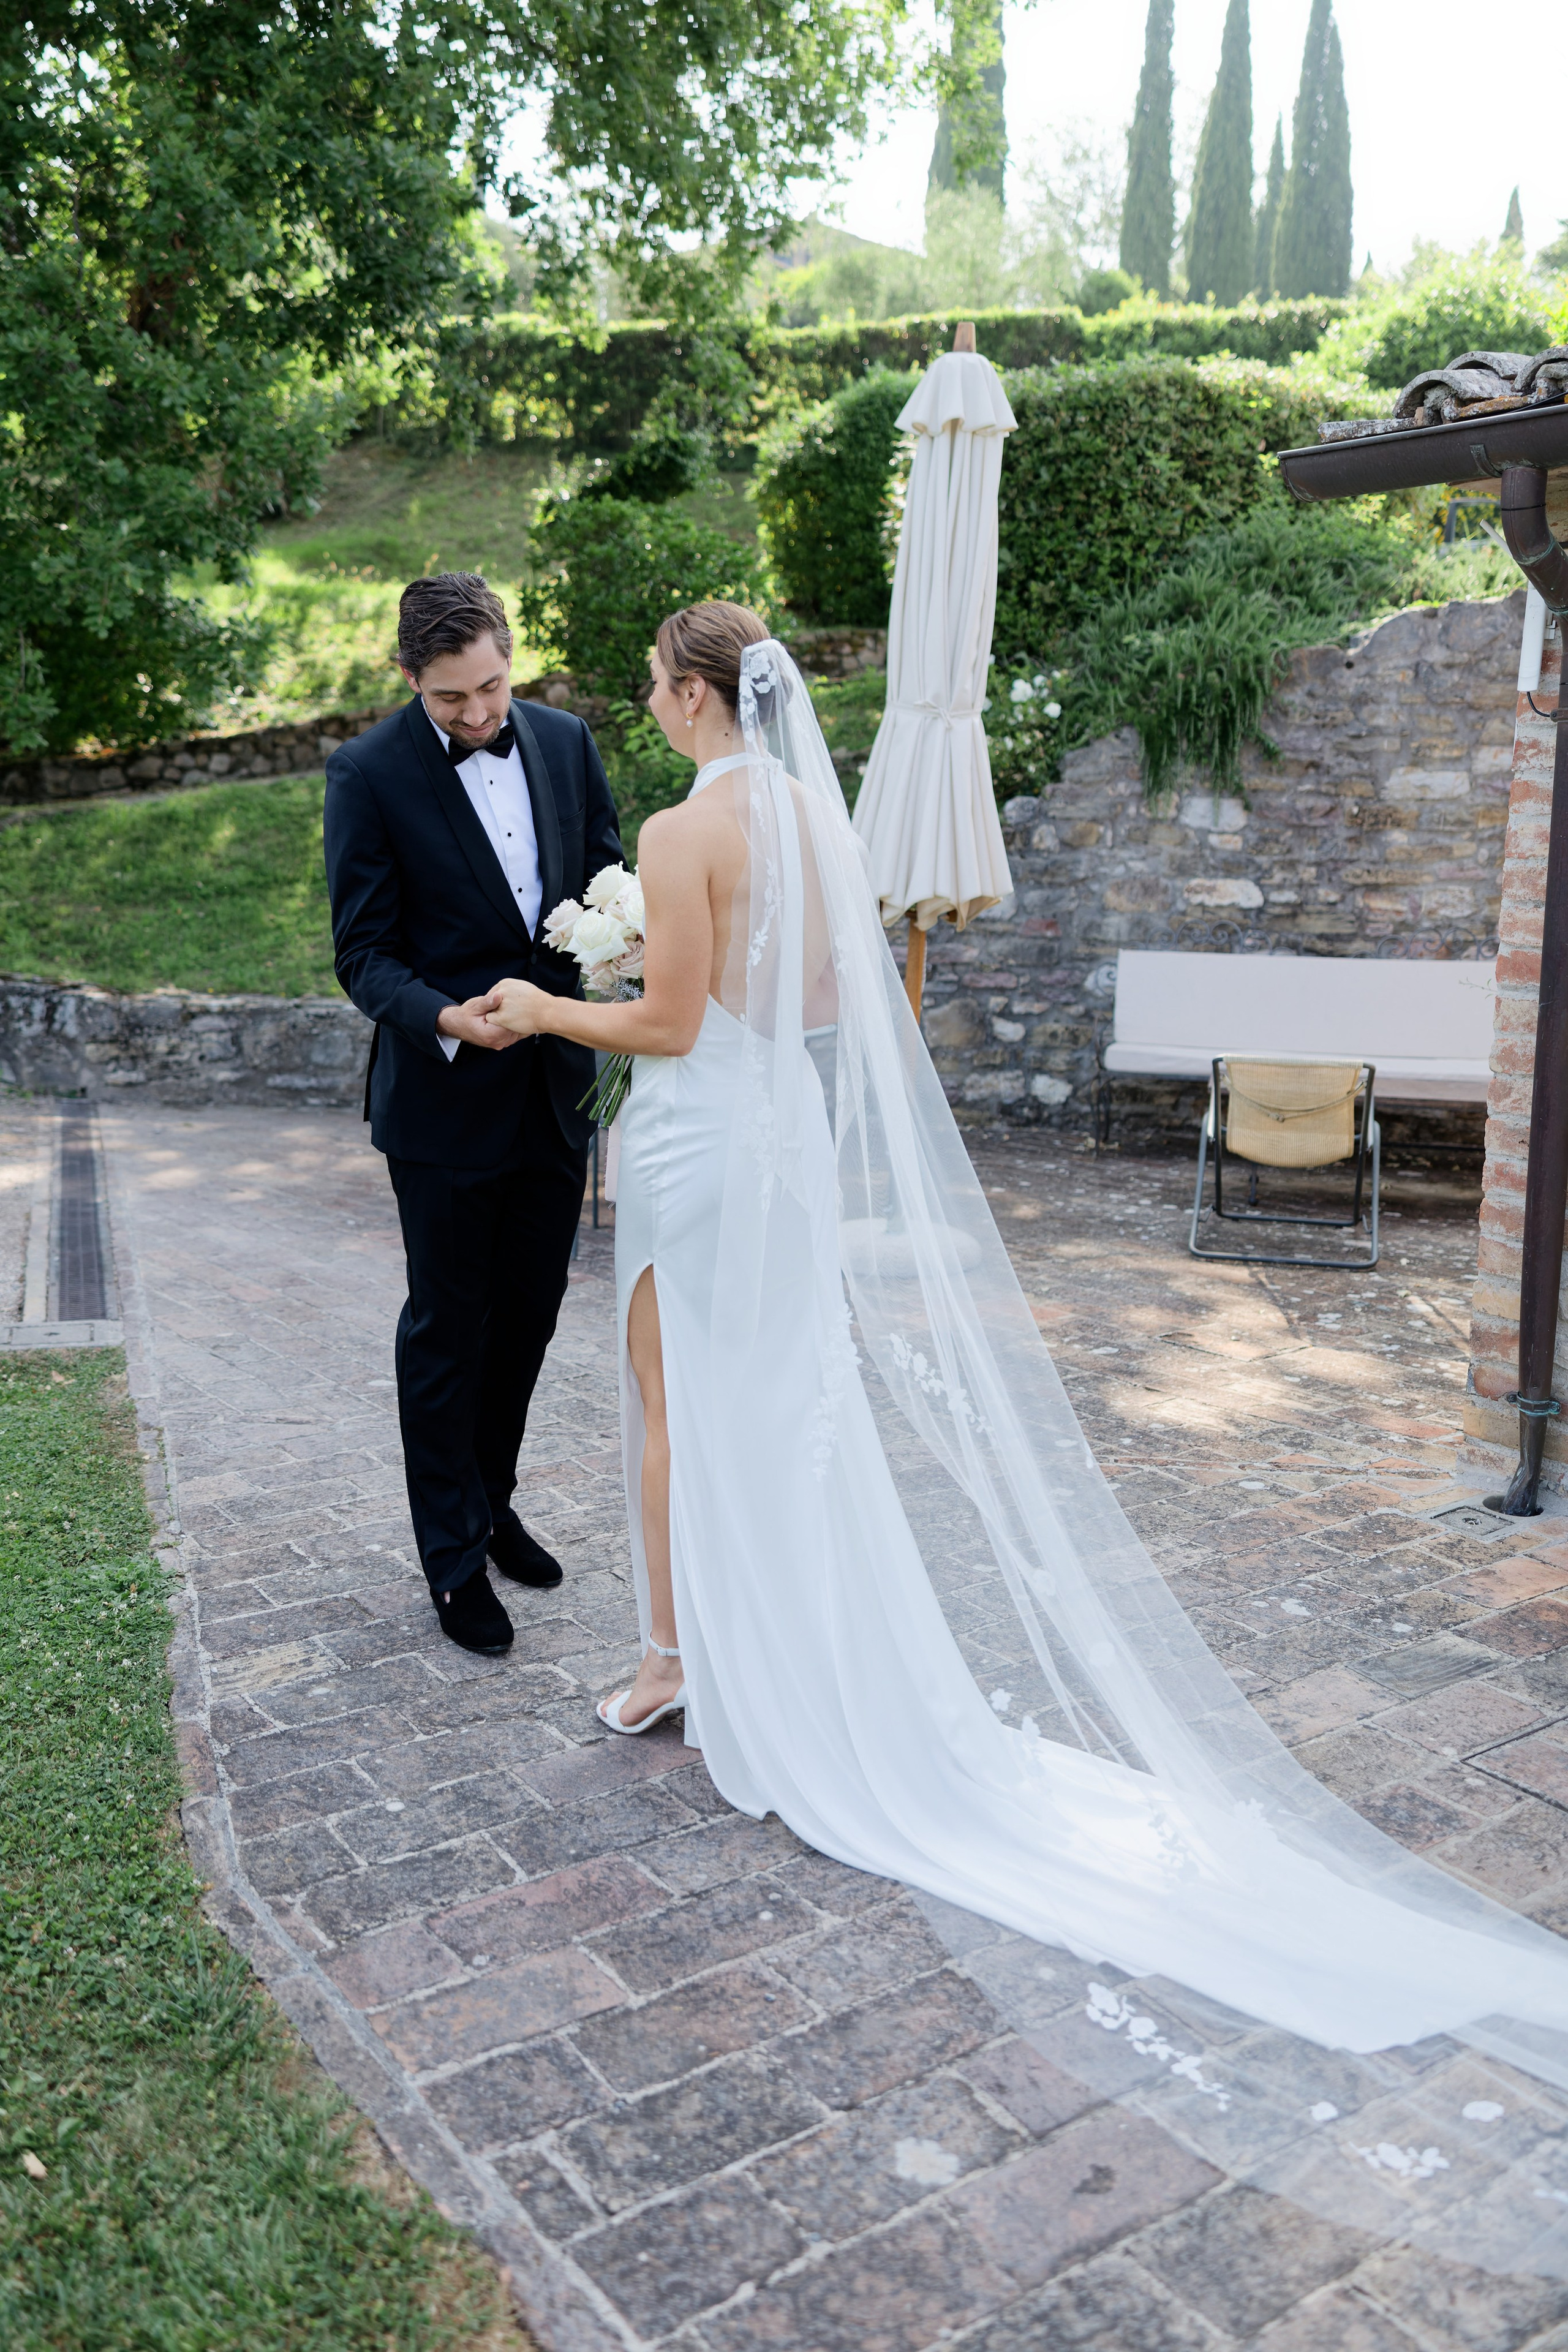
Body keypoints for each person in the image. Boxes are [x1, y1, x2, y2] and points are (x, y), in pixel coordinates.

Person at [484, 600, 1568, 2110]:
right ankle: (778, 1648)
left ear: (686, 694)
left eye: (655, 692)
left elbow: (669, 1021)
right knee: (789, 1396)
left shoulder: (682, 833)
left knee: (672, 1402)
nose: (652, 712)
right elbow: (804, 1008)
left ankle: (676, 1659)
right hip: (783, 1134)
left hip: (699, 1146)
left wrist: (547, 1006)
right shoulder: (815, 816)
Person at [323, 572, 622, 1656]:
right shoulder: (364, 773)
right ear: (410, 680)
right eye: (454, 699)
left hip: (555, 1093)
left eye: (494, 686)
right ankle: (452, 1560)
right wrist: (446, 1016)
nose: (483, 713)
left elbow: (601, 878)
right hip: (443, 1104)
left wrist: (620, 943)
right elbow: (362, 953)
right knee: (449, 1333)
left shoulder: (563, 737)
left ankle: (491, 1503)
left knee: (530, 1320)